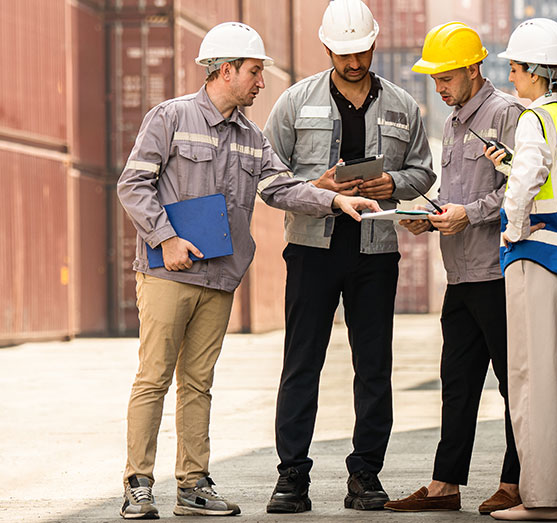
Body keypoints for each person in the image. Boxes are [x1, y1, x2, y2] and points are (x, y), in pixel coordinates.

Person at [115, 21, 381, 520]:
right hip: (170, 273)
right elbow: (133, 186)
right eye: (256, 72)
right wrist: (165, 238)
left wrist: (333, 201)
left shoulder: (251, 137)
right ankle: (138, 483)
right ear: (226, 70)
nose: (262, 82)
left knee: (198, 383)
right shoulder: (170, 118)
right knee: (153, 379)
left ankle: (193, 485)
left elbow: (281, 188)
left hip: (219, 278)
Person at [261, 0, 434, 513]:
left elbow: (423, 173)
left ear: (373, 44)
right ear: (327, 47)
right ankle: (291, 476)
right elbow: (269, 181)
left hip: (375, 251)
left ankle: (366, 475)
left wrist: (393, 183)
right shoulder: (293, 102)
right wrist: (318, 187)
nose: (353, 62)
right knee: (302, 363)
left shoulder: (404, 105)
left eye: (361, 51)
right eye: (343, 53)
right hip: (312, 250)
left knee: (374, 365)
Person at [382, 22, 525, 515]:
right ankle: (446, 486)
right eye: (434, 79)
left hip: (498, 274)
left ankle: (517, 481)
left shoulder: (508, 115)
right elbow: (457, 194)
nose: (438, 88)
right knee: (457, 382)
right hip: (460, 275)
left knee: (513, 384)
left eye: (445, 77)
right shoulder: (454, 121)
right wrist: (431, 214)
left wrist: (470, 214)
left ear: (472, 68)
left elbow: (520, 191)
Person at [484, 18, 557, 521]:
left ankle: (542, 499)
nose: (510, 77)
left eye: (514, 67)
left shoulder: (534, 118)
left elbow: (529, 180)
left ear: (535, 70)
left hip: (536, 257)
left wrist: (511, 226)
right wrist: (511, 166)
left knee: (532, 378)